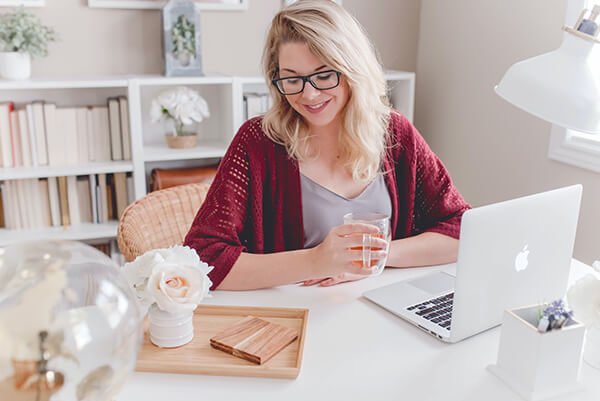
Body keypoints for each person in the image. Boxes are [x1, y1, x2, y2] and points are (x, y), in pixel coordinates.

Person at [184, 0, 470, 290]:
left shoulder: (395, 134)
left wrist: (373, 256)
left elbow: (462, 230)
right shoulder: (258, 142)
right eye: (292, 79)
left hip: (380, 312)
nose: (309, 94)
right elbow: (202, 258)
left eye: (324, 75)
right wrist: (316, 261)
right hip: (294, 318)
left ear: (353, 70)